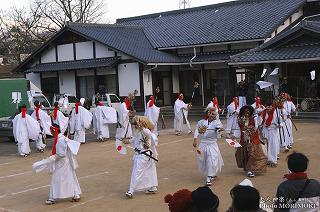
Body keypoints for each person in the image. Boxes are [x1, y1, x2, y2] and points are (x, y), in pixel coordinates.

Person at [44, 124, 82, 205]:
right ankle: (76, 194)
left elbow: (61, 154)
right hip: (66, 161)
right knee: (71, 177)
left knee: (55, 178)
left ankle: (52, 197)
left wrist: (52, 158)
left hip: (62, 162)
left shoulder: (60, 140)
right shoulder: (62, 138)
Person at [123, 116, 158, 199]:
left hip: (143, 156)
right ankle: (153, 187)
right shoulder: (139, 132)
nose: (135, 126)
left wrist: (140, 125)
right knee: (150, 170)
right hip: (146, 155)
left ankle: (130, 191)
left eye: (135, 124)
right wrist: (125, 141)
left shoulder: (146, 131)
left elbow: (147, 133)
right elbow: (133, 140)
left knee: (136, 172)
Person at [193, 107, 224, 186]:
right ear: (208, 114)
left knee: (211, 160)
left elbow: (218, 129)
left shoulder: (217, 122)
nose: (214, 116)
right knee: (203, 160)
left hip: (212, 144)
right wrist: (195, 139)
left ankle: (208, 178)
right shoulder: (202, 122)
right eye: (212, 114)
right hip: (203, 144)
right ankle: (211, 174)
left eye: (215, 114)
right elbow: (197, 130)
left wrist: (219, 130)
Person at [236, 105, 267, 178]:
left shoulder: (254, 118)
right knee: (245, 155)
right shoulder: (240, 119)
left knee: (252, 154)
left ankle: (250, 170)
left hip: (253, 139)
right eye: (245, 111)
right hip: (244, 140)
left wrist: (259, 116)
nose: (247, 112)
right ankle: (247, 168)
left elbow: (257, 125)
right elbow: (239, 129)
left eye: (248, 111)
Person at [263, 96, 286, 167]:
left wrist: (280, 124)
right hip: (265, 130)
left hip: (273, 130)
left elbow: (281, 121)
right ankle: (268, 159)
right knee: (266, 145)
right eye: (268, 106)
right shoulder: (264, 112)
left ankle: (273, 160)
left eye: (270, 106)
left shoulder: (275, 113)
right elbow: (261, 121)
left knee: (273, 145)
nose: (269, 108)